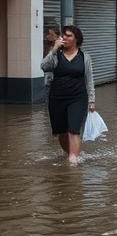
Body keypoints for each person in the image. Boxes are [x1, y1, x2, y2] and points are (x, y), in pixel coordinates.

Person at [40, 25, 95, 165]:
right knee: (62, 131)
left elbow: (89, 79)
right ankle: (71, 152)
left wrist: (92, 100)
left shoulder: (84, 57)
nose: (64, 38)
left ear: (76, 39)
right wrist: (53, 49)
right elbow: (44, 66)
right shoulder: (56, 54)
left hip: (78, 97)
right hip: (57, 98)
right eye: (63, 35)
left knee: (73, 129)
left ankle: (73, 159)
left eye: (69, 35)